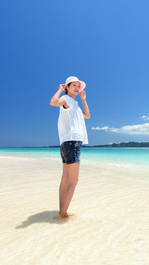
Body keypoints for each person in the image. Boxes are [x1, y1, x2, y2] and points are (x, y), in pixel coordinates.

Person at [50, 76, 90, 220]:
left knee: (65, 179)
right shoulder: (67, 100)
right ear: (67, 87)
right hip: (72, 142)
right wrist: (60, 90)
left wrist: (84, 100)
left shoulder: (75, 104)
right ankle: (62, 215)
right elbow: (53, 102)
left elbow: (87, 116)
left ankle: (62, 211)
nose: (77, 88)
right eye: (74, 85)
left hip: (67, 143)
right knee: (73, 181)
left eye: (79, 86)